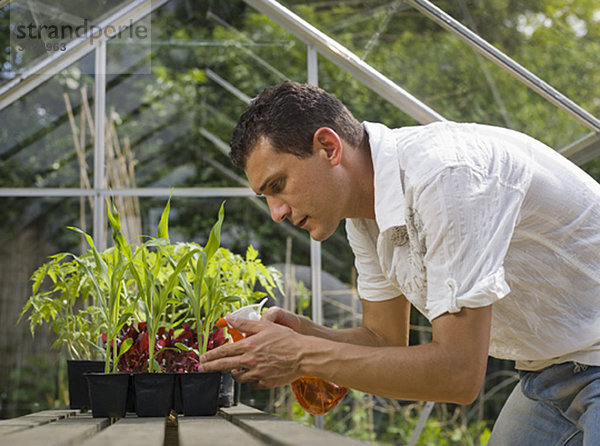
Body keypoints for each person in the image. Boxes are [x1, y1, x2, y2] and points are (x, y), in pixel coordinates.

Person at [199, 81, 600, 444]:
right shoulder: (365, 216)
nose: (276, 212)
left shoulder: (446, 179)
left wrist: (302, 354)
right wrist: (303, 334)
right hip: (551, 369)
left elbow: (458, 374)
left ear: (328, 147)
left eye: (278, 185)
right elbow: (383, 340)